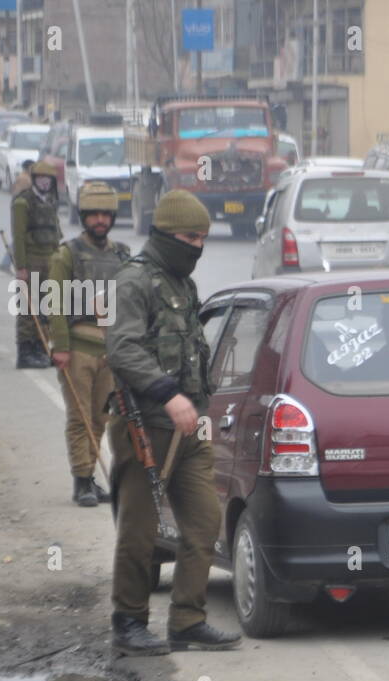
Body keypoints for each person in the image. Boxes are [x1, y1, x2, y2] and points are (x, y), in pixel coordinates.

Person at [105, 189, 240, 656]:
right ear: (163, 233)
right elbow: (121, 348)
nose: (197, 246)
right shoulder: (133, 282)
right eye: (188, 236)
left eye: (203, 237)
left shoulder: (183, 284)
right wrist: (167, 393)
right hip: (144, 426)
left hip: (190, 429)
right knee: (140, 532)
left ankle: (187, 620)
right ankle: (129, 622)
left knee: (203, 523)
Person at [48, 182, 131, 507]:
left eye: (105, 214)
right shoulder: (67, 255)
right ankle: (82, 480)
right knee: (79, 416)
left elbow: (129, 302)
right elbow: (54, 303)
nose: (100, 220)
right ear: (83, 217)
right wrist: (61, 346)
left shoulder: (122, 255)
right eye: (93, 214)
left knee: (100, 418)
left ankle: (91, 478)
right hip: (78, 348)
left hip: (110, 351)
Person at [10, 159, 62, 368]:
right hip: (31, 260)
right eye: (40, 179)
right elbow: (19, 235)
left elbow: (55, 231)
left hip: (49, 258)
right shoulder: (23, 202)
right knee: (27, 307)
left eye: (48, 179)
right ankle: (26, 351)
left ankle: (41, 347)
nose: (44, 183)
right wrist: (21, 267)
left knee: (47, 306)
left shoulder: (50, 201)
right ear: (34, 180)